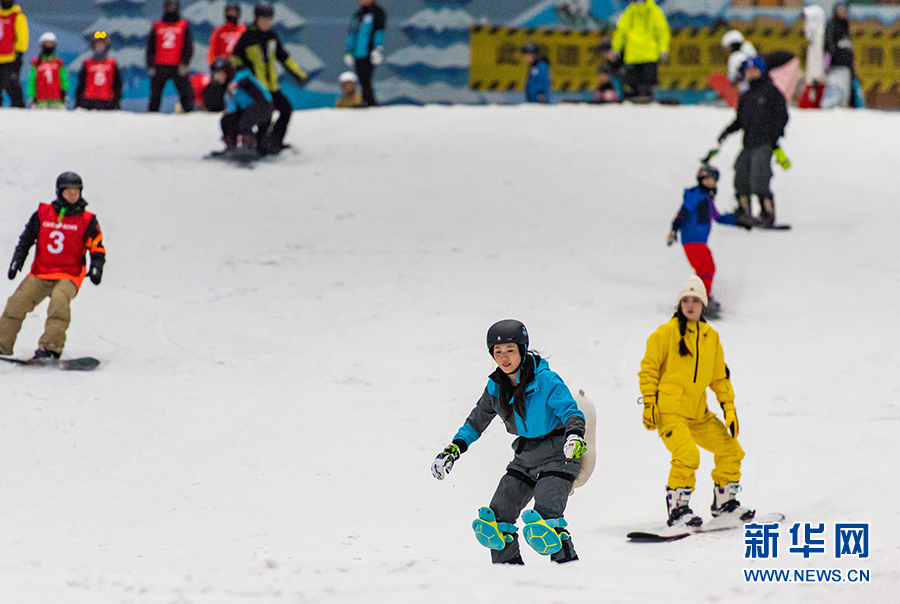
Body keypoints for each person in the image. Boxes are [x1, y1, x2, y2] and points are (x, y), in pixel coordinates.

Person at [431, 319, 587, 565]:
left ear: (522, 350)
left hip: (559, 454)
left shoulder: (546, 380)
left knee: (547, 521)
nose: (504, 358)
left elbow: (571, 412)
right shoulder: (496, 386)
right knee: (497, 521)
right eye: (498, 352)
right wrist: (453, 450)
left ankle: (569, 573)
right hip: (525, 456)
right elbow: (476, 422)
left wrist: (575, 435)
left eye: (510, 351)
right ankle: (509, 577)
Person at [638, 276, 752, 529]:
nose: (690, 305)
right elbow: (649, 370)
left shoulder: (711, 337)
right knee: (687, 455)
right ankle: (678, 510)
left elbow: (719, 378)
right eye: (685, 300)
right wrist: (649, 403)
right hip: (669, 411)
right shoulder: (665, 334)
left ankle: (725, 505)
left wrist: (729, 410)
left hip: (698, 414)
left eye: (696, 300)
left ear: (703, 305)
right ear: (679, 305)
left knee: (731, 451)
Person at [0, 172, 105, 361]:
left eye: (76, 191)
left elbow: (97, 246)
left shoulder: (87, 219)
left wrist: (97, 265)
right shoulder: (43, 213)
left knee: (59, 302)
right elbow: (27, 238)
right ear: (59, 192)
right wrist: (18, 259)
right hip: (41, 271)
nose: (73, 195)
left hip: (70, 274)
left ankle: (50, 347)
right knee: (16, 303)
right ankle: (2, 345)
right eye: (68, 191)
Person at [667, 165, 751, 317]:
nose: (713, 183)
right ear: (702, 179)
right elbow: (683, 212)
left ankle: (701, 298)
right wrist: (674, 228)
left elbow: (718, 217)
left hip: (699, 242)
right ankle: (699, 301)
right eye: (710, 179)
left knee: (707, 269)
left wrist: (738, 220)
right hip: (692, 241)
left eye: (715, 180)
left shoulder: (707, 199)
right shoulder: (695, 195)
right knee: (706, 270)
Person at [717, 57, 789, 229]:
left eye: (754, 69)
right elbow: (740, 120)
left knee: (760, 179)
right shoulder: (746, 96)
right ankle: (744, 211)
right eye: (748, 70)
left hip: (764, 143)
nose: (751, 73)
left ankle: (767, 214)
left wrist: (774, 136)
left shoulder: (772, 93)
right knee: (740, 176)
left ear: (762, 71)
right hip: (748, 143)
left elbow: (782, 116)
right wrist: (727, 131)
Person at [232, 1, 308, 154]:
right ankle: (260, 144)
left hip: (272, 86)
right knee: (263, 116)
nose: (266, 23)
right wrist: (243, 74)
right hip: (257, 88)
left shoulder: (272, 36)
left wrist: (299, 74)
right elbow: (235, 58)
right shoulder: (247, 37)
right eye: (263, 19)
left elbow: (283, 57)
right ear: (256, 19)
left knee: (285, 109)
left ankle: (275, 141)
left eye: (268, 20)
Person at [210, 56, 273, 160]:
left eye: (218, 74)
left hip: (263, 107)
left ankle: (248, 147)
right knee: (227, 120)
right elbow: (232, 111)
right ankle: (232, 148)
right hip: (248, 111)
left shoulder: (241, 78)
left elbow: (261, 95)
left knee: (246, 121)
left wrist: (239, 84)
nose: (216, 77)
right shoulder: (228, 90)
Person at [608, 0, 670, 102]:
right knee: (632, 89)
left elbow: (662, 31)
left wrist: (663, 49)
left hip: (646, 56)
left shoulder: (653, 11)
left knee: (645, 89)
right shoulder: (631, 11)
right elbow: (621, 31)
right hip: (636, 56)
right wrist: (616, 48)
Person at [146, 0, 195, 113]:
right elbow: (150, 46)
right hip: (159, 65)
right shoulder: (157, 26)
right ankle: (151, 118)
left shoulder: (183, 25)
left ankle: (190, 115)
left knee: (185, 93)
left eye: (173, 6)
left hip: (178, 66)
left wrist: (185, 63)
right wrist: (150, 64)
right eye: (169, 6)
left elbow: (188, 46)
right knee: (155, 95)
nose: (171, 8)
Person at [344, 0, 386, 107]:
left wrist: (377, 49)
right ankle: (365, 101)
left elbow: (379, 32)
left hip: (369, 53)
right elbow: (352, 34)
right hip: (358, 53)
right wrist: (349, 51)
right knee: (361, 79)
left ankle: (370, 102)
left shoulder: (377, 13)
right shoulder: (358, 15)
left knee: (366, 78)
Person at [76, 31, 122, 110]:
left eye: (102, 44)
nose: (100, 46)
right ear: (94, 46)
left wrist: (116, 102)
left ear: (106, 46)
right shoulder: (87, 63)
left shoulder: (112, 63)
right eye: (97, 44)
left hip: (107, 102)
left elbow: (117, 84)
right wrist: (78, 102)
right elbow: (81, 84)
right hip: (89, 102)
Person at [823, 1, 857, 108]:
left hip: (846, 67)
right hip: (836, 66)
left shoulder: (845, 25)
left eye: (845, 11)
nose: (843, 13)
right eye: (841, 11)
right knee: (834, 93)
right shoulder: (832, 24)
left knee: (844, 96)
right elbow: (828, 44)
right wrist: (832, 57)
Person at [27, 32, 68, 109]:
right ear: (42, 45)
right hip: (40, 101)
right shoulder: (36, 63)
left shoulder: (58, 62)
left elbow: (63, 79)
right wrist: (32, 95)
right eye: (46, 44)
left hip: (57, 100)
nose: (48, 46)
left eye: (50, 44)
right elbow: (32, 80)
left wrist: (64, 92)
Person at [0, 0, 28, 108]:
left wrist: (19, 53)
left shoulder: (17, 16)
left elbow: (22, 35)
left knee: (13, 87)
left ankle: (19, 111)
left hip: (11, 59)